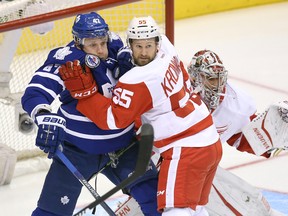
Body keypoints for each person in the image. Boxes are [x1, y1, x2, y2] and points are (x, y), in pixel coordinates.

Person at [59, 16, 223, 216]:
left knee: (175, 211)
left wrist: (86, 96)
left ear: (156, 43)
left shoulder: (137, 80)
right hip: (209, 140)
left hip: (187, 149)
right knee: (196, 209)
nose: (144, 53)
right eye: (138, 46)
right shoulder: (168, 50)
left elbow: (112, 120)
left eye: (148, 46)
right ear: (130, 45)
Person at [21, 12, 160, 216]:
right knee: (50, 212)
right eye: (93, 45)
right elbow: (35, 92)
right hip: (77, 150)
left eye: (102, 42)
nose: (100, 50)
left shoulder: (117, 49)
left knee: (156, 198)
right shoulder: (67, 62)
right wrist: (43, 115)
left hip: (124, 145)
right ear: (79, 42)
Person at [187, 49, 287, 215]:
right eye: (211, 79)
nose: (217, 85)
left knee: (253, 204)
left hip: (199, 167)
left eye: (219, 79)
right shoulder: (177, 94)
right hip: (162, 162)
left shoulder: (235, 104)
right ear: (194, 78)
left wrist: (273, 138)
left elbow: (242, 137)